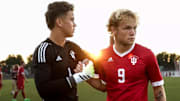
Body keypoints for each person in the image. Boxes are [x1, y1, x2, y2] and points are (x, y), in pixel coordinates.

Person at [88, 9, 167, 101]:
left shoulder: (147, 54)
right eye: (127, 28)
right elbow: (104, 86)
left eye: (134, 28)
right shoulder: (103, 56)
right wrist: (86, 77)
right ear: (113, 30)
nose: (133, 32)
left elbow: (158, 89)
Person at [32, 1, 94, 101]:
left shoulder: (73, 47)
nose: (75, 24)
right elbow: (43, 89)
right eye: (71, 20)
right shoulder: (44, 50)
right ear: (59, 22)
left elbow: (92, 61)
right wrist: (77, 77)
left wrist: (86, 65)